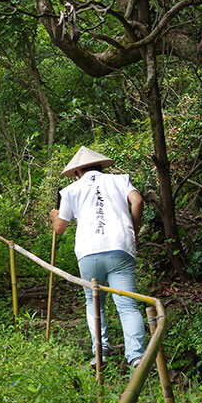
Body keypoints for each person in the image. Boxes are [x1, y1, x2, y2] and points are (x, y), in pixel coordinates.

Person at [49, 146, 146, 368]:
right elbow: (138, 201)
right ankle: (136, 356)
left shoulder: (71, 191)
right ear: (101, 167)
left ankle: (100, 351)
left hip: (88, 252)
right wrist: (134, 230)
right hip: (120, 247)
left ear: (77, 173)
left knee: (93, 303)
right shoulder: (120, 180)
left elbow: (60, 228)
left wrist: (54, 216)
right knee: (128, 305)